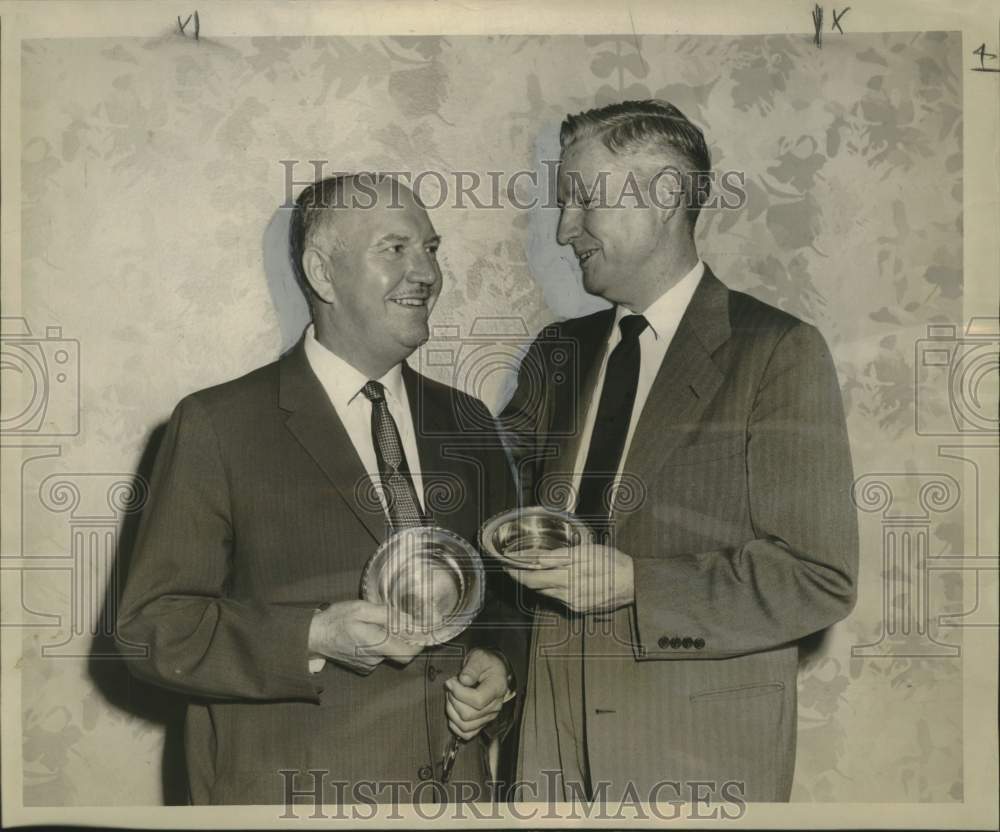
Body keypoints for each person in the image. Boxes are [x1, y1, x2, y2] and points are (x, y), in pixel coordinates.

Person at [116, 174, 524, 806]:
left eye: (431, 249)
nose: (426, 273)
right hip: (294, 800)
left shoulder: (468, 422)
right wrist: (312, 634)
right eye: (395, 248)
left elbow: (506, 601)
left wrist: (498, 667)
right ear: (322, 273)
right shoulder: (218, 424)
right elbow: (152, 629)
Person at [499, 100, 859, 803]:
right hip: (547, 741)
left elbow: (818, 578)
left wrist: (640, 584)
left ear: (665, 195)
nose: (564, 229)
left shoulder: (777, 351)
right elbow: (491, 510)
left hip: (694, 754)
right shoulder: (555, 353)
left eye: (583, 199)